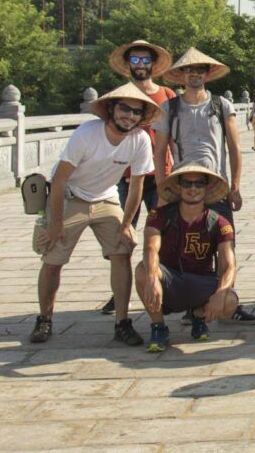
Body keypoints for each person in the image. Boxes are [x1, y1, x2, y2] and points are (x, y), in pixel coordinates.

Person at [29, 83, 162, 345]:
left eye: (136, 112)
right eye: (125, 108)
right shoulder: (87, 133)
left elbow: (137, 185)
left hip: (106, 198)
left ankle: (122, 322)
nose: (130, 116)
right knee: (53, 258)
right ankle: (44, 318)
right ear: (111, 108)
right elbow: (58, 181)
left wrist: (126, 223)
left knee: (122, 251)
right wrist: (56, 224)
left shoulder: (140, 139)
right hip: (70, 196)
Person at [154, 47, 255, 324]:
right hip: (183, 183)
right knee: (186, 244)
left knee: (226, 243)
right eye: (189, 70)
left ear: (207, 74)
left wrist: (235, 185)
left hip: (215, 184)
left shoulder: (220, 105)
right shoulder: (170, 107)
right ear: (181, 75)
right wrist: (163, 188)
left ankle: (226, 299)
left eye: (199, 70)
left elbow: (234, 147)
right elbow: (160, 150)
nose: (194, 74)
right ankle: (191, 303)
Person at [99, 39, 176, 316]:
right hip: (125, 176)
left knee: (164, 235)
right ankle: (119, 294)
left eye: (145, 61)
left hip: (160, 176)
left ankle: (162, 285)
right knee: (121, 237)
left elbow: (173, 137)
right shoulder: (119, 96)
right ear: (128, 65)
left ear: (153, 65)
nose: (140, 66)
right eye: (135, 61)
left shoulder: (166, 95)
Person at [135, 162, 240, 352]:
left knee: (230, 300)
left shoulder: (219, 222)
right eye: (187, 184)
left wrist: (221, 292)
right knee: (143, 269)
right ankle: (158, 326)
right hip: (169, 279)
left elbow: (229, 265)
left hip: (201, 282)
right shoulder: (159, 215)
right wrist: (151, 278)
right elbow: (150, 248)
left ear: (207, 188)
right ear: (178, 187)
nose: (193, 189)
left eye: (199, 183)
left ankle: (198, 316)